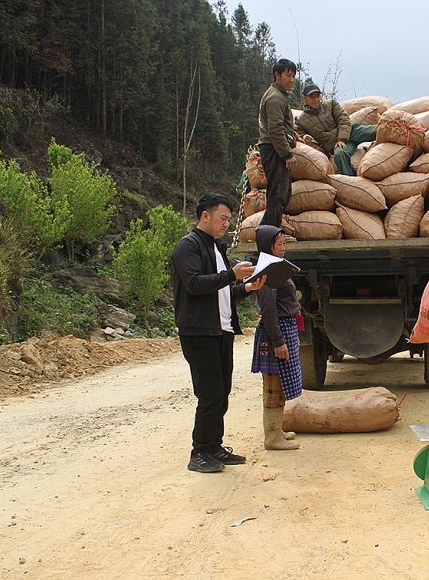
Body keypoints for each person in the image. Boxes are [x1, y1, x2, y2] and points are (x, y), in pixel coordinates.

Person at [171, 193, 266, 473]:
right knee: (209, 394)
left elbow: (222, 291)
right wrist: (232, 276)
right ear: (205, 216)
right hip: (199, 331)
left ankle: (214, 447)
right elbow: (195, 284)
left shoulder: (215, 248)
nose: (227, 224)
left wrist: (246, 288)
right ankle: (198, 452)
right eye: (223, 218)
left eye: (228, 219)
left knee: (221, 391)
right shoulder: (187, 247)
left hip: (220, 330)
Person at [251, 225, 303, 451]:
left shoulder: (276, 267)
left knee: (281, 384)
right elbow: (268, 310)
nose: (283, 248)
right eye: (279, 244)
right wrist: (278, 342)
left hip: (284, 328)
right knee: (273, 386)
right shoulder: (266, 270)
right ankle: (271, 438)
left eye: (284, 244)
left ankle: (277, 430)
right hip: (275, 331)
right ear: (267, 246)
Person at [295, 83, 377, 176]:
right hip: (336, 145)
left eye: (318, 96)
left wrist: (341, 139)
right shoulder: (302, 121)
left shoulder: (331, 105)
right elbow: (302, 138)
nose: (316, 100)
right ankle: (351, 180)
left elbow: (344, 120)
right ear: (304, 98)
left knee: (376, 130)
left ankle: (396, 128)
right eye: (312, 97)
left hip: (351, 132)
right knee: (339, 155)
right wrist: (306, 138)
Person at [258, 58, 298, 227]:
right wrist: (287, 154)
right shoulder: (275, 98)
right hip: (274, 151)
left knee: (282, 194)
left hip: (273, 149)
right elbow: (275, 129)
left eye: (294, 76)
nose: (291, 80)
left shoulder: (279, 96)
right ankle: (268, 236)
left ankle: (267, 232)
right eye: (288, 75)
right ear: (277, 75)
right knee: (278, 195)